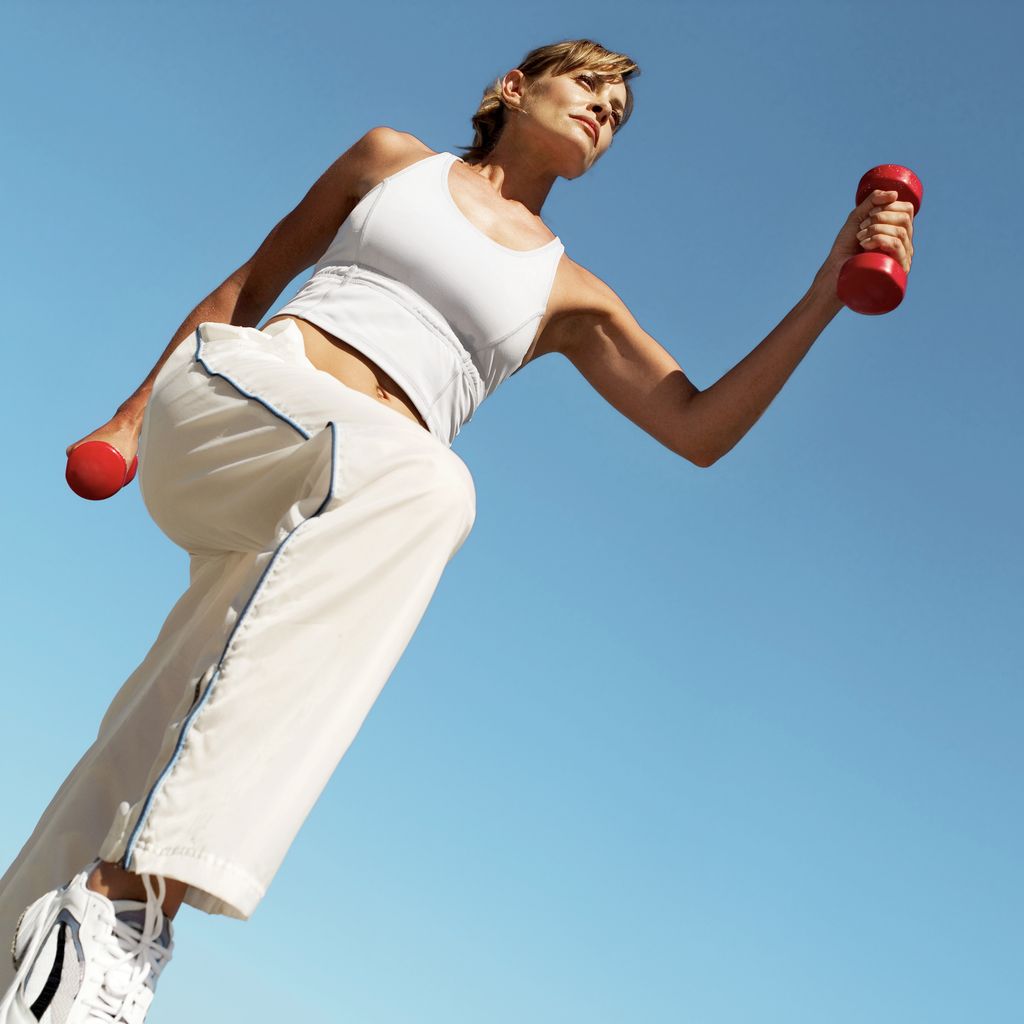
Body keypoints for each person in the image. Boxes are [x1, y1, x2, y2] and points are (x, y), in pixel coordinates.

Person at [0, 37, 914, 1024]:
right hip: (237, 407)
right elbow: (247, 288)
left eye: (618, 114)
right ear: (513, 88)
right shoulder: (390, 161)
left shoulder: (572, 294)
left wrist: (825, 290)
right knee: (432, 487)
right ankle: (130, 908)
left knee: (157, 730)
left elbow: (698, 430)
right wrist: (130, 420)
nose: (604, 112)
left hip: (336, 510)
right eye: (587, 86)